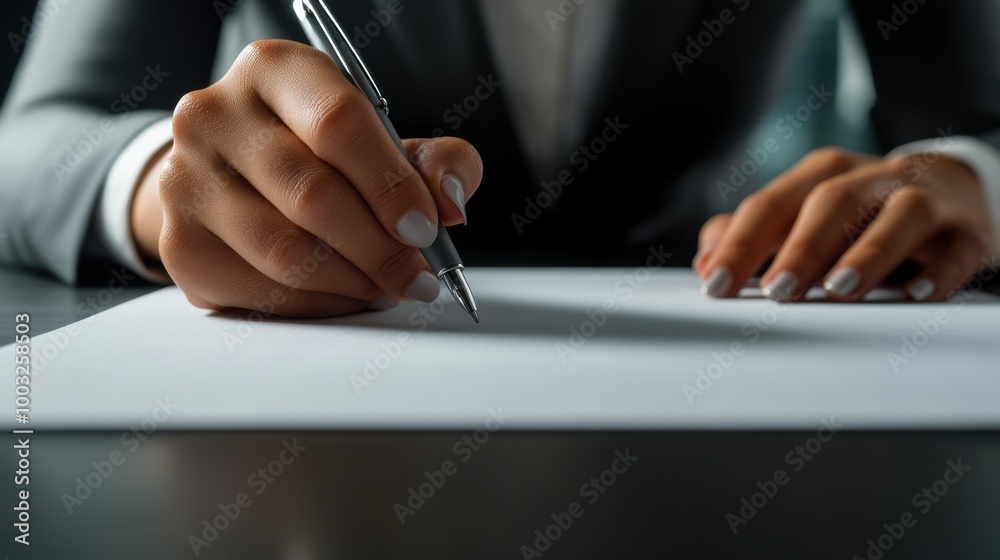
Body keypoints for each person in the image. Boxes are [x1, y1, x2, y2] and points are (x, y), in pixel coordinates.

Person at [1, 0, 997, 318]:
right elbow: (32, 138)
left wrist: (967, 174)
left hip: (710, 316)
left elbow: (978, 118)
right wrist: (164, 183)